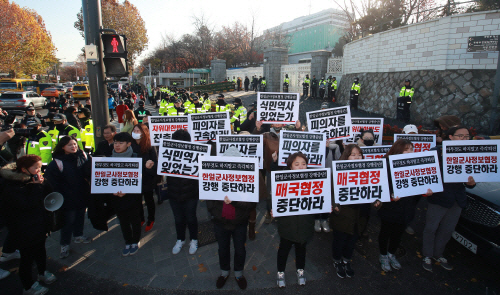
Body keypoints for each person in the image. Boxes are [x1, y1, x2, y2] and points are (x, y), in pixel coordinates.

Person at [0, 155, 57, 294]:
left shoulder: (35, 179)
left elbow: (50, 193)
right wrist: (36, 187)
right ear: (24, 169)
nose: (39, 170)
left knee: (40, 250)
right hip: (23, 228)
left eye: (40, 166)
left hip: (39, 224)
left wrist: (43, 183)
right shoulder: (12, 185)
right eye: (36, 167)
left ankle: (42, 272)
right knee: (27, 257)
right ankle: (28, 285)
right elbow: (27, 205)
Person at [422, 125, 475, 272]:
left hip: (457, 200)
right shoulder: (437, 152)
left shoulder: (471, 154)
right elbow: (425, 174)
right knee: (431, 228)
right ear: (451, 137)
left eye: (467, 136)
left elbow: (471, 179)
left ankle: (438, 254)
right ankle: (427, 255)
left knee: (447, 230)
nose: (465, 139)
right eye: (461, 136)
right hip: (439, 198)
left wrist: (472, 183)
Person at [378, 139, 433, 272]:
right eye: (406, 149)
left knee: (398, 233)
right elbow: (380, 185)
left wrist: (426, 192)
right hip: (390, 207)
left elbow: (418, 185)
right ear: (397, 150)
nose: (409, 152)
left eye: (411, 149)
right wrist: (391, 196)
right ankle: (383, 255)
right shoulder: (385, 163)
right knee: (386, 232)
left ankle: (391, 253)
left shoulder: (416, 165)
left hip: (407, 207)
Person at [207, 146, 255, 290]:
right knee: (223, 249)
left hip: (239, 223)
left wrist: (234, 202)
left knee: (240, 249)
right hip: (220, 222)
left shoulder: (247, 178)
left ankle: (239, 274)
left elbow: (252, 202)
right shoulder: (215, 176)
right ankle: (224, 273)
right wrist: (215, 213)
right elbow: (209, 198)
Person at [331, 145, 381, 278]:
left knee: (352, 240)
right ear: (346, 156)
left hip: (360, 215)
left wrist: (376, 201)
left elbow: (374, 191)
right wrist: (334, 205)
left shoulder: (369, 172)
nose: (357, 157)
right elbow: (330, 193)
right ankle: (337, 261)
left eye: (359, 155)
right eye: (353, 154)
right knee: (339, 240)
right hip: (343, 215)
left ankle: (346, 260)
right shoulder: (336, 171)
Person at [45, 136, 92, 259]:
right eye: (70, 145)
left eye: (75, 144)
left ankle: (78, 236)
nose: (74, 147)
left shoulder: (83, 157)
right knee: (68, 221)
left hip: (82, 194)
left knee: (80, 216)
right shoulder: (57, 163)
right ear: (63, 147)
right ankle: (64, 244)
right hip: (66, 198)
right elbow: (51, 182)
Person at [272, 152, 314, 288]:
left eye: (304, 164)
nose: (301, 167)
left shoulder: (314, 182)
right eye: (297, 164)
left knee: (301, 250)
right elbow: (273, 198)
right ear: (290, 167)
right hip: (287, 225)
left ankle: (300, 270)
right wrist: (273, 209)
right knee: (283, 250)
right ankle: (280, 272)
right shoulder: (282, 180)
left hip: (305, 225)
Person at [109, 132, 143, 256]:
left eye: (120, 143)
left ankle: (135, 240)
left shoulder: (135, 158)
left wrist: (127, 190)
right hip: (116, 197)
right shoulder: (108, 160)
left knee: (134, 219)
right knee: (123, 221)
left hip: (132, 196)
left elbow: (139, 180)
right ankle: (127, 241)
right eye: (115, 143)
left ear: (128, 144)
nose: (117, 145)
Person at [167, 130, 200, 255]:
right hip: (174, 194)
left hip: (190, 194)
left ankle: (194, 239)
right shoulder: (167, 154)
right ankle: (180, 239)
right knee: (178, 219)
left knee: (191, 218)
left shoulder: (195, 154)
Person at [131, 124, 157, 232]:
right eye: (134, 130)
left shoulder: (150, 145)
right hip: (135, 178)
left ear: (144, 133)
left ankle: (151, 219)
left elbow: (155, 162)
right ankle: (140, 219)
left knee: (149, 199)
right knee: (137, 201)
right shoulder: (130, 145)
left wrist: (149, 167)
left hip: (147, 178)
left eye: (138, 131)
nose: (135, 133)